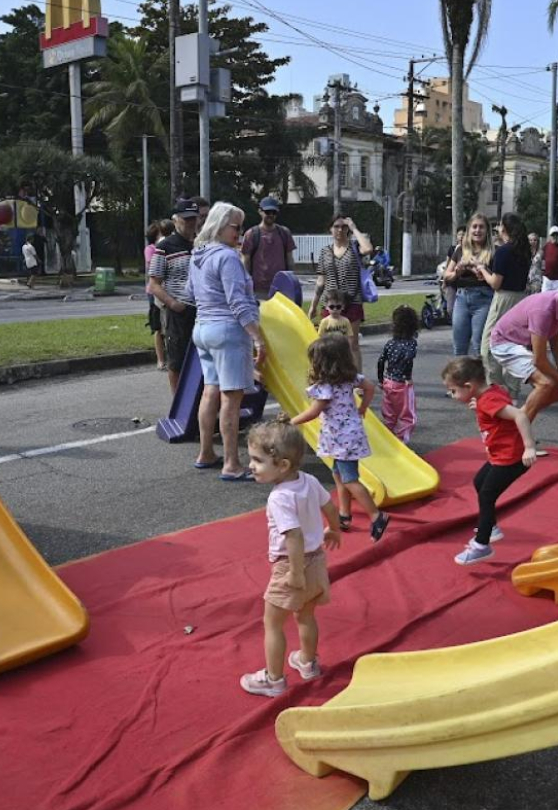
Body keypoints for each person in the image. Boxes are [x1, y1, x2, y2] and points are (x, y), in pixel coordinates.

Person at [238, 416, 341, 698]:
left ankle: (274, 679)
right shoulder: (308, 480)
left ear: (282, 465)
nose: (251, 466)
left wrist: (294, 573)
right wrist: (333, 529)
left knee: (273, 623)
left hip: (292, 565)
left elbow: (292, 536)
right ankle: (307, 662)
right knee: (305, 614)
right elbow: (330, 505)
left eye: (257, 461)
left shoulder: (279, 497)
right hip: (317, 559)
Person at [187, 201, 266, 480]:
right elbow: (238, 303)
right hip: (227, 331)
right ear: (220, 225)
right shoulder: (228, 257)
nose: (240, 232)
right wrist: (258, 339)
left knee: (211, 390)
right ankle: (231, 464)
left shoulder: (198, 255)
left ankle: (206, 452)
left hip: (203, 329)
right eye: (236, 226)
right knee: (230, 399)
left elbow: (189, 294)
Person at [290, 335, 391, 540]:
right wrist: (363, 406)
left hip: (341, 438)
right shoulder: (350, 378)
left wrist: (292, 421)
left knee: (350, 479)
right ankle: (344, 515)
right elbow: (370, 388)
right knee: (338, 475)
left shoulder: (325, 387)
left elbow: (314, 412)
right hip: (347, 435)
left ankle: (376, 515)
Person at [441, 357, 536, 566]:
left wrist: (529, 446)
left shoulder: (488, 400)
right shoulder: (488, 393)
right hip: (500, 455)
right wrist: (479, 405)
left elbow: (520, 415)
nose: (452, 395)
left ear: (469, 386)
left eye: (454, 391)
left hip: (511, 458)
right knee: (479, 482)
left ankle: (481, 545)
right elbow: (497, 407)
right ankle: (490, 526)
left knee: (487, 494)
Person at [487, 272, 558, 423]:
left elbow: (555, 333)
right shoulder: (544, 309)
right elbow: (539, 360)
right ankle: (518, 430)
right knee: (546, 383)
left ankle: (515, 423)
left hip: (523, 344)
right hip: (504, 343)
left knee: (557, 390)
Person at [480, 212, 534, 394]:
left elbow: (496, 283)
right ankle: (512, 390)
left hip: (503, 299)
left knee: (488, 345)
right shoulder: (525, 251)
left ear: (505, 228)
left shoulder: (503, 251)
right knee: (514, 344)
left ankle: (495, 387)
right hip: (521, 299)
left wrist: (482, 270)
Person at [310, 215, 374, 368]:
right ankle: (330, 377)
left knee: (352, 344)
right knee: (328, 344)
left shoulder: (354, 248)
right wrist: (313, 305)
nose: (340, 230)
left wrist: (354, 228)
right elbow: (321, 281)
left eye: (343, 227)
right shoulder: (325, 252)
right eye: (336, 227)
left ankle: (356, 380)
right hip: (330, 304)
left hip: (352, 302)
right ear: (330, 230)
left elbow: (368, 249)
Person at [148, 200, 199, 392]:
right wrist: (172, 303)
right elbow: (154, 283)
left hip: (202, 309)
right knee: (177, 360)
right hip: (179, 312)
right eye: (186, 219)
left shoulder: (202, 244)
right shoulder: (166, 247)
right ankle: (178, 403)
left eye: (194, 219)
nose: (190, 223)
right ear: (176, 220)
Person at [442, 213, 495, 358]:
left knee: (480, 346)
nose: (477, 231)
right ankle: (460, 380)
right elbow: (447, 275)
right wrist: (459, 271)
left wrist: (482, 270)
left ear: (487, 231)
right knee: (459, 346)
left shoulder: (493, 251)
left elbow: (496, 280)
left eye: (481, 227)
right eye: (474, 227)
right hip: (462, 298)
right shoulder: (460, 250)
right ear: (469, 230)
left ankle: (482, 379)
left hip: (484, 299)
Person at [240, 196, 297, 300]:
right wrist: (246, 285)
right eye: (267, 212)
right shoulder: (252, 234)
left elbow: (290, 260)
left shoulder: (284, 233)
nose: (271, 215)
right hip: (258, 290)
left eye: (274, 212)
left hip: (281, 289)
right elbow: (245, 262)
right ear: (260, 211)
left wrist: (292, 282)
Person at [378, 305, 419, 442]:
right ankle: (402, 441)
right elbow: (408, 360)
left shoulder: (390, 343)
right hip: (402, 384)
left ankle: (389, 439)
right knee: (407, 414)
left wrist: (380, 380)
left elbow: (381, 361)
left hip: (388, 381)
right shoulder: (411, 344)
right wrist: (407, 377)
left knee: (390, 413)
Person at [144, 220, 170, 370]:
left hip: (170, 290)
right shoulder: (151, 249)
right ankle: (160, 360)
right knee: (158, 327)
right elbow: (152, 265)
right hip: (155, 292)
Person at [540, 225, 558, 293]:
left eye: (557, 235)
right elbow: (542, 258)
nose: (555, 237)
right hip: (547, 278)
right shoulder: (547, 246)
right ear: (550, 236)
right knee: (544, 297)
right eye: (553, 235)